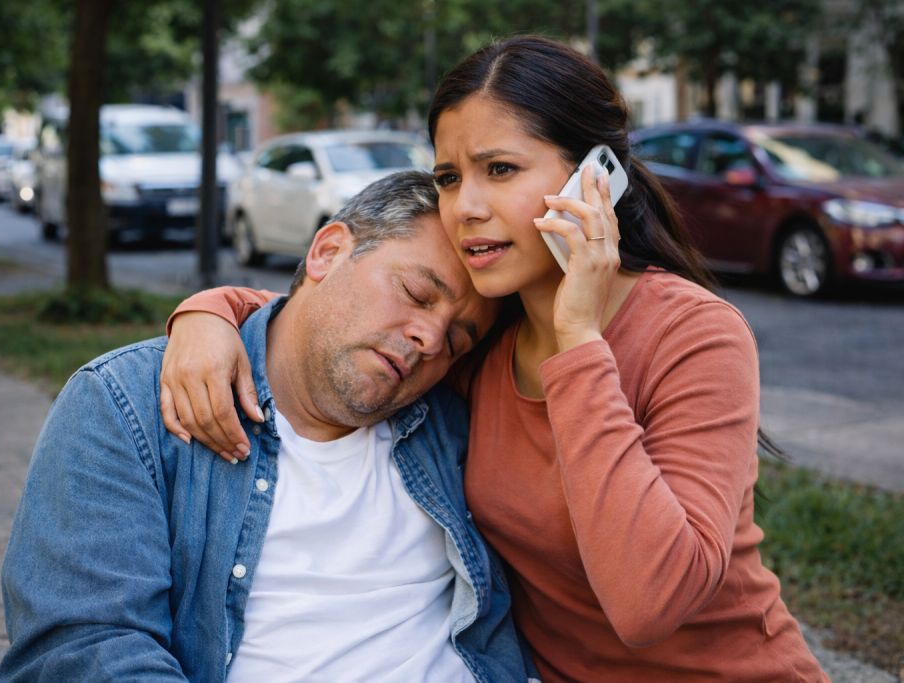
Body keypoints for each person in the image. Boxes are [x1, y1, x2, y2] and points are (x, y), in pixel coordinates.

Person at [159, 37, 830, 682]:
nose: (465, 208)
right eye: (449, 177)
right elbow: (335, 312)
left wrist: (577, 340)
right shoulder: (480, 335)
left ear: (596, 179)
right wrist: (211, 313)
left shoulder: (694, 334)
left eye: (499, 170)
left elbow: (648, 602)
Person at [0, 171, 538, 683]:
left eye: (459, 340)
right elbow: (83, 647)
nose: (431, 339)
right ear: (328, 251)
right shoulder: (127, 406)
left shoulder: (459, 420)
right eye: (417, 294)